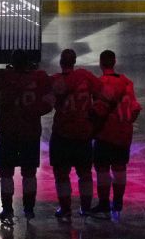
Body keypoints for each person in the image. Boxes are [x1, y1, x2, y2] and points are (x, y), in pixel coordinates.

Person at [0, 49, 52, 224]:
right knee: (29, 172)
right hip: (30, 131)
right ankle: (29, 209)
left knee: (6, 172)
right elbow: (49, 103)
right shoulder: (39, 77)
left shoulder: (3, 77)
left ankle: (7, 209)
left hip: (8, 131)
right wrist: (33, 112)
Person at [49, 48, 103, 220]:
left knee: (61, 174)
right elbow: (104, 94)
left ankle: (65, 208)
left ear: (61, 63)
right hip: (83, 133)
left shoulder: (55, 81)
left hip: (62, 134)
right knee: (85, 173)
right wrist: (94, 114)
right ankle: (85, 207)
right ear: (74, 62)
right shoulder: (85, 76)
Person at [91, 50, 141, 222]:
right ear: (114, 62)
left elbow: (97, 111)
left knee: (103, 170)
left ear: (100, 63)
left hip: (105, 134)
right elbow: (135, 109)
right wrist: (126, 124)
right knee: (120, 168)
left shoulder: (98, 84)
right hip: (123, 134)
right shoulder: (127, 83)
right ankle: (118, 202)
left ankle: (104, 203)